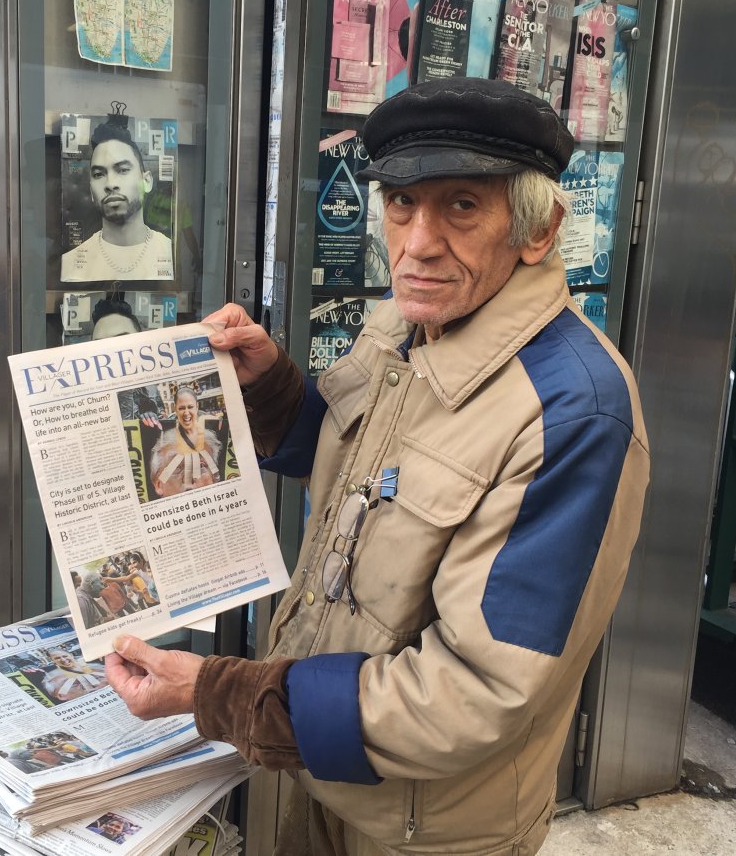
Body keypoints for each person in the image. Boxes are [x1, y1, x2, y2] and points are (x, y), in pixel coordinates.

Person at [104, 77, 650, 855]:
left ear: (537, 230)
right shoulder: (404, 323)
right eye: (400, 202)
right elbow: (366, 466)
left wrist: (223, 696)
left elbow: (479, 692)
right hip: (325, 773)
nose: (418, 241)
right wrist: (270, 390)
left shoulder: (572, 411)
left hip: (429, 827)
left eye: (462, 205)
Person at [61, 120, 174, 283]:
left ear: (147, 181)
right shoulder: (71, 264)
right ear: (91, 191)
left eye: (122, 170)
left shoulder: (168, 252)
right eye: (99, 174)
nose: (110, 184)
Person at [148, 387, 223, 498]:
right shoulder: (169, 419)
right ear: (158, 484)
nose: (189, 483)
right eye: (176, 468)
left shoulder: (206, 418)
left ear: (215, 477)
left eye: (200, 466)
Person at [40, 647, 106, 702]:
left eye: (65, 656)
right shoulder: (54, 677)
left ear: (71, 655)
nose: (63, 659)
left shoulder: (93, 666)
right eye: (57, 658)